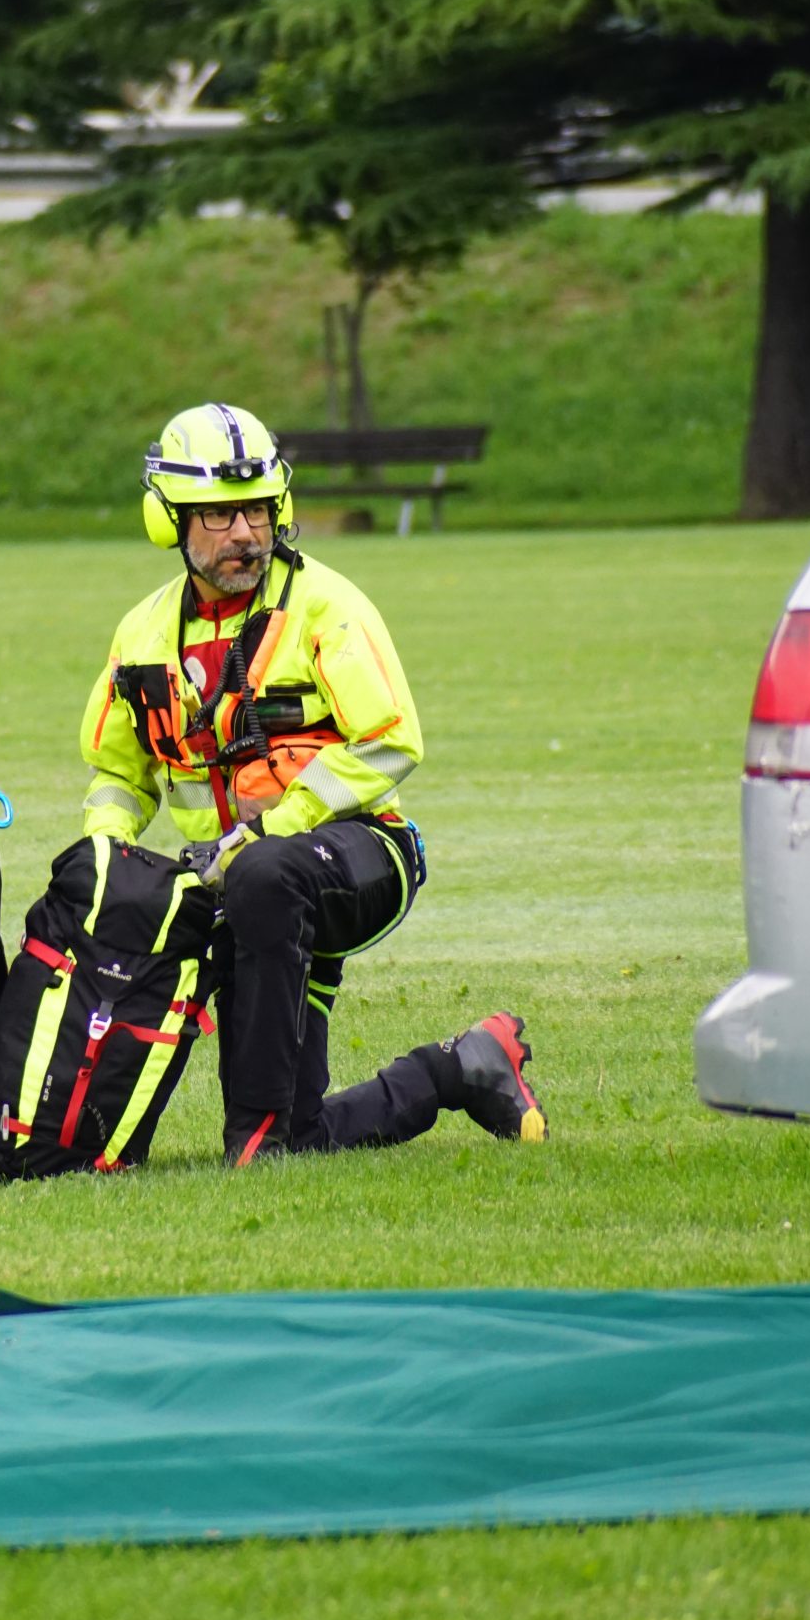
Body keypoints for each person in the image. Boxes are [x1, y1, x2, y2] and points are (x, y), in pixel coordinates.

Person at [78, 403, 547, 1161]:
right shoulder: (139, 635)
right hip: (242, 887)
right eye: (220, 515)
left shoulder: (327, 605)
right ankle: (458, 1067)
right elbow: (117, 775)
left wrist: (276, 825)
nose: (244, 533)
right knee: (307, 1134)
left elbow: (394, 740)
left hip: (360, 855)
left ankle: (253, 1140)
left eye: (258, 511)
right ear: (166, 520)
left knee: (264, 874)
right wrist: (106, 854)